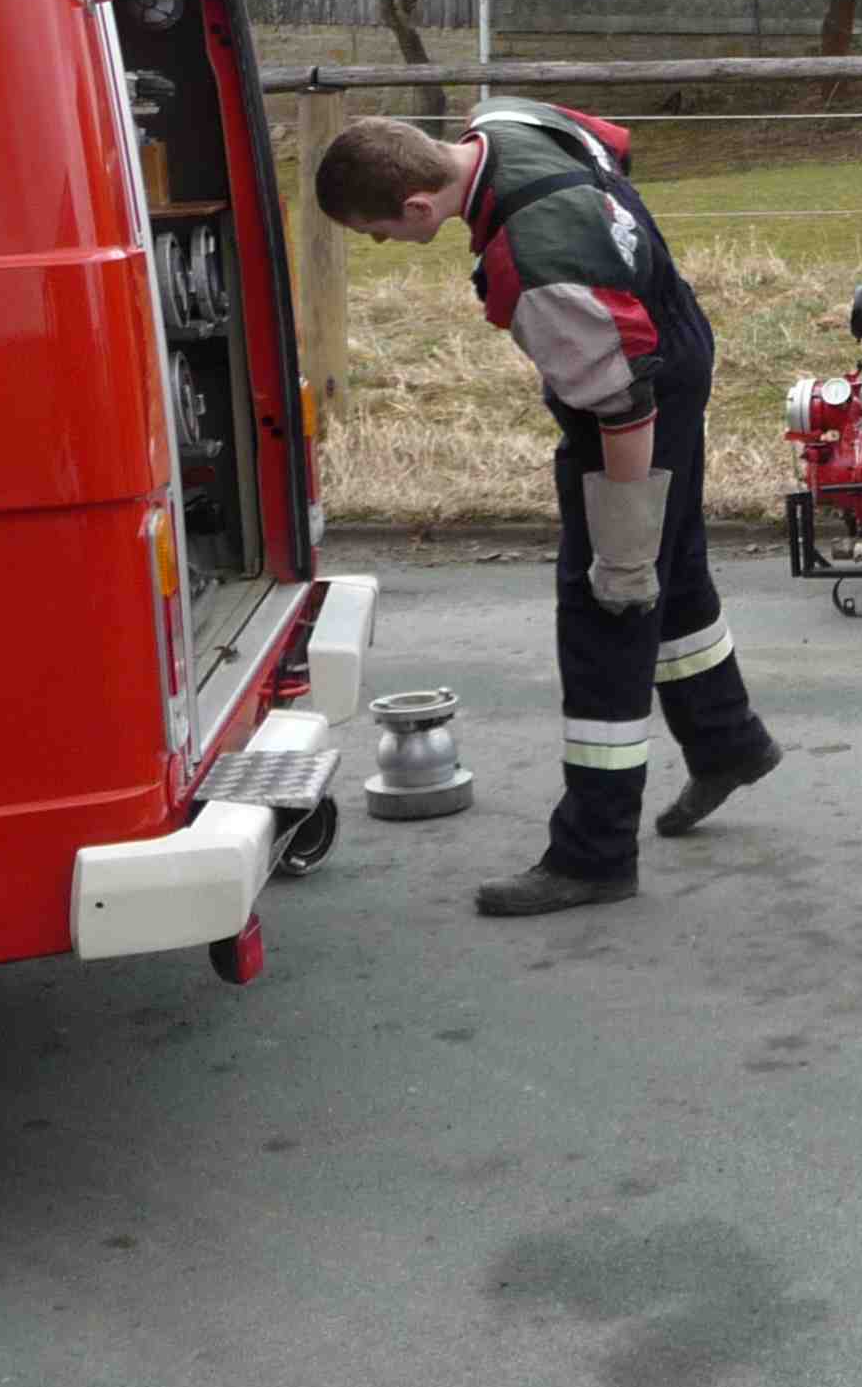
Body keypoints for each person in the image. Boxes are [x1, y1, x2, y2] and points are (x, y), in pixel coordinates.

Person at [311, 101, 780, 917]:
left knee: (610, 606)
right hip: (676, 336)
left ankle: (594, 855)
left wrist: (623, 544)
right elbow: (613, 145)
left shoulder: (539, 267)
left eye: (380, 233)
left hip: (636, 398)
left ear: (417, 206)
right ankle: (728, 742)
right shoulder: (508, 120)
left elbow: (623, 407)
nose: (387, 245)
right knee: (677, 568)